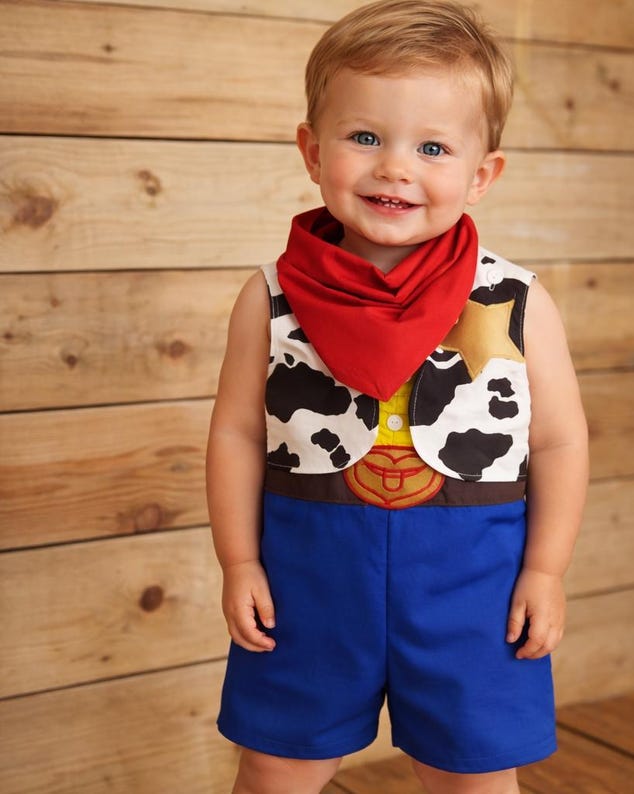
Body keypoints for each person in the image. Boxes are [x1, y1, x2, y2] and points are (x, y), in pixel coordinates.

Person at [206, 1, 589, 792]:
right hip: (308, 580)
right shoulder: (271, 298)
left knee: (473, 774)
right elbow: (239, 434)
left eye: (434, 147)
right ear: (313, 151)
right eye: (365, 137)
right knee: (274, 767)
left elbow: (557, 442)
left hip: (472, 590)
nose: (395, 167)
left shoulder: (516, 301)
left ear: (482, 175)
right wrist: (238, 559)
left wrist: (545, 571)